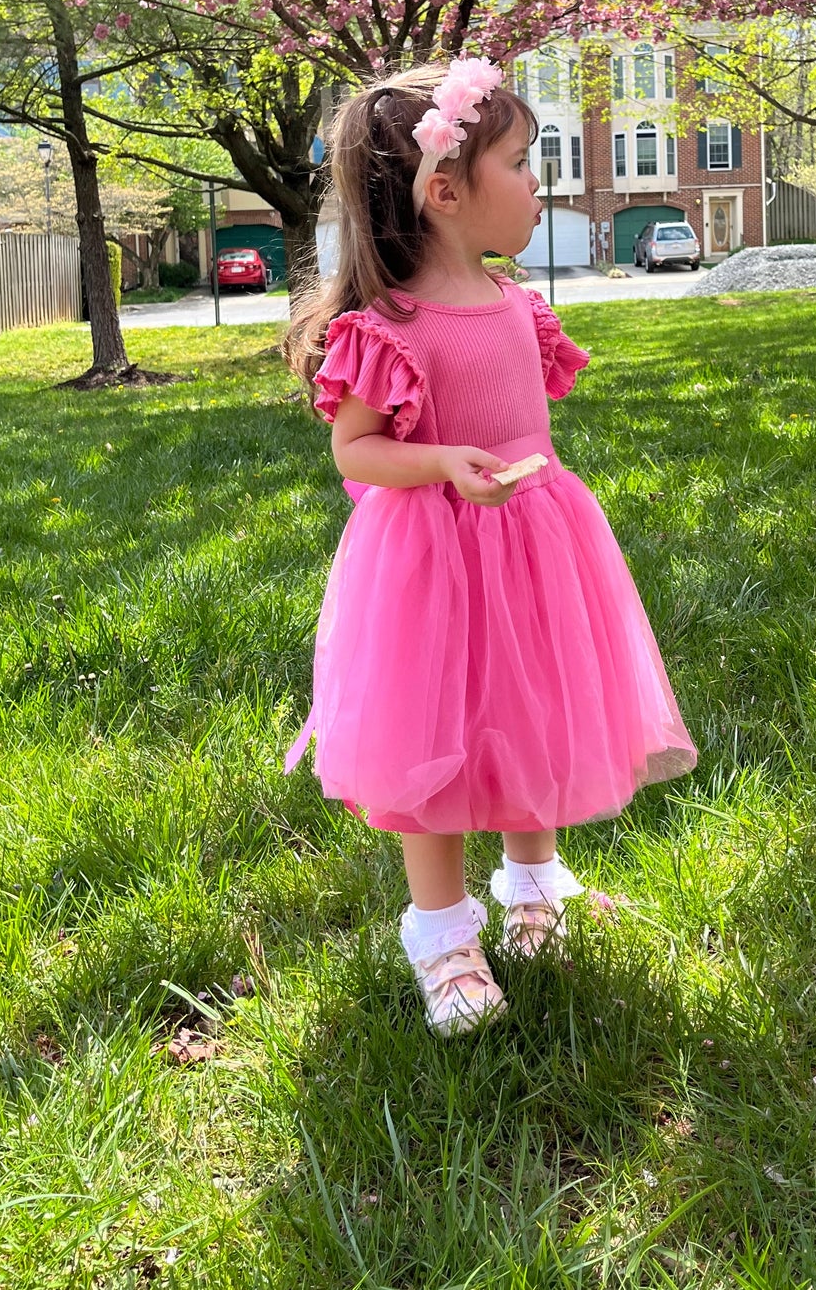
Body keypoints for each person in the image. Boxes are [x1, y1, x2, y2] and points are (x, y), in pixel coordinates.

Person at [285, 58, 696, 1036]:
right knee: (433, 740)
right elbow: (358, 448)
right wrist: (439, 463)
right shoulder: (391, 327)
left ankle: (531, 886)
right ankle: (441, 936)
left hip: (535, 546)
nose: (536, 185)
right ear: (445, 192)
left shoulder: (517, 306)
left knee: (532, 707)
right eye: (520, 163)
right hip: (430, 560)